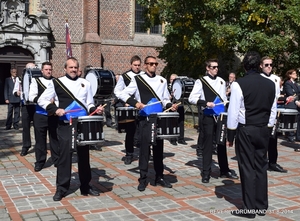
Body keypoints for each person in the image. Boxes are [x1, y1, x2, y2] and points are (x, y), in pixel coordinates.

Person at [37, 57, 104, 201]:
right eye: (71, 67)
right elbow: (41, 100)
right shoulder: (57, 82)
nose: (73, 69)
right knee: (64, 157)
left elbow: (89, 103)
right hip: (65, 124)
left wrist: (95, 109)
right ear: (65, 69)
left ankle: (85, 186)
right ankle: (61, 188)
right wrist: (55, 110)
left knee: (84, 156)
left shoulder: (85, 83)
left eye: (75, 67)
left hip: (83, 124)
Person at [227, 51, 277, 218]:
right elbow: (273, 110)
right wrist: (269, 127)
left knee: (247, 167)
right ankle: (261, 205)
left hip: (246, 129)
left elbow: (233, 111)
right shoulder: (271, 84)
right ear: (259, 65)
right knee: (261, 166)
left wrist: (230, 134)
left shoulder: (238, 84)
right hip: (263, 128)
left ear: (245, 66)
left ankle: (249, 209)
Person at [119, 56, 178, 191]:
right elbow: (123, 94)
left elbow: (164, 99)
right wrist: (136, 103)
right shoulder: (138, 79)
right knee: (144, 151)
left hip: (159, 119)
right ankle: (143, 179)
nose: (153, 66)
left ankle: (159, 177)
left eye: (155, 64)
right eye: (151, 64)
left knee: (159, 150)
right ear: (145, 65)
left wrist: (170, 105)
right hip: (145, 119)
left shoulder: (162, 80)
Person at [188, 59, 238, 183]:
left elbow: (223, 99)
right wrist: (205, 103)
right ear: (207, 68)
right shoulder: (201, 81)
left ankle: (224, 170)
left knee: (221, 142)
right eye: (213, 67)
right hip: (208, 116)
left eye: (217, 67)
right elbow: (192, 98)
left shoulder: (221, 81)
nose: (216, 69)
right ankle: (206, 172)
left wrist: (228, 103)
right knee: (208, 145)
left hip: (220, 116)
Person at [28, 62, 59, 172]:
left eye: (50, 69)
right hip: (40, 115)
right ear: (42, 70)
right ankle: (40, 162)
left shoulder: (56, 81)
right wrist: (44, 102)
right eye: (46, 69)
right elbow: (31, 97)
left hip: (53, 115)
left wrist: (54, 102)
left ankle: (57, 160)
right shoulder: (36, 81)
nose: (48, 71)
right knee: (40, 140)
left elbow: (60, 97)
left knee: (54, 138)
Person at [260, 56, 288, 173]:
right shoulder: (259, 78)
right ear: (261, 66)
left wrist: (285, 98)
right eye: (266, 65)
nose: (269, 67)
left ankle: (273, 162)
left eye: (271, 64)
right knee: (262, 139)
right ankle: (262, 162)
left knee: (273, 138)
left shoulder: (276, 78)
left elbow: (277, 96)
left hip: (273, 112)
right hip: (261, 113)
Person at [114, 55, 143, 164]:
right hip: (130, 107)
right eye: (135, 65)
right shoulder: (125, 76)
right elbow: (117, 91)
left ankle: (146, 152)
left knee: (144, 131)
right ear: (131, 65)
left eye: (139, 65)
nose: (137, 67)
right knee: (130, 131)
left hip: (142, 107)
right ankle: (129, 154)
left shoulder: (144, 75)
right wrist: (125, 101)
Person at [14, 63, 36, 156]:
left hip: (36, 105)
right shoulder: (20, 78)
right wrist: (17, 92)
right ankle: (26, 146)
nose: (31, 70)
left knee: (38, 127)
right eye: (29, 68)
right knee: (26, 127)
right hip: (25, 106)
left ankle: (39, 145)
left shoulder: (38, 77)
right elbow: (14, 91)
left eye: (33, 68)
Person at [168, 74, 187, 145]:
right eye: (171, 79)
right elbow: (165, 98)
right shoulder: (167, 87)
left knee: (181, 123)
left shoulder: (180, 86)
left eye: (174, 79)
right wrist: (171, 96)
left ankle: (181, 138)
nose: (172, 81)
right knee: (172, 123)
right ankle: (172, 139)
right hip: (171, 107)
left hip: (180, 106)